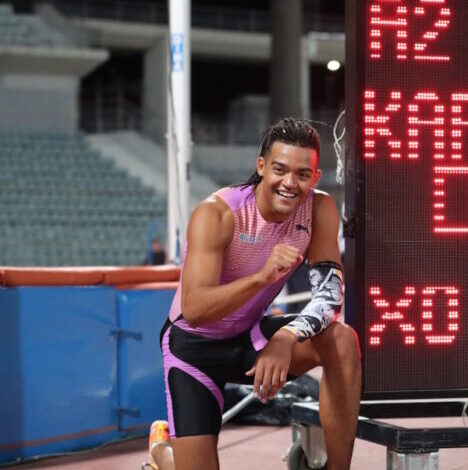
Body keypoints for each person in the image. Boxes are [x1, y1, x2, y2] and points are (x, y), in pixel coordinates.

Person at [148, 118, 362, 470]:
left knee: (342, 340)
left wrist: (287, 337)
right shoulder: (217, 214)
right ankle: (162, 450)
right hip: (193, 348)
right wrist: (261, 278)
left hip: (250, 334)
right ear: (261, 166)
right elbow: (195, 309)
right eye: (280, 169)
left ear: (315, 177)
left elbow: (329, 296)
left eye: (302, 174)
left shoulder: (319, 209)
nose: (289, 183)